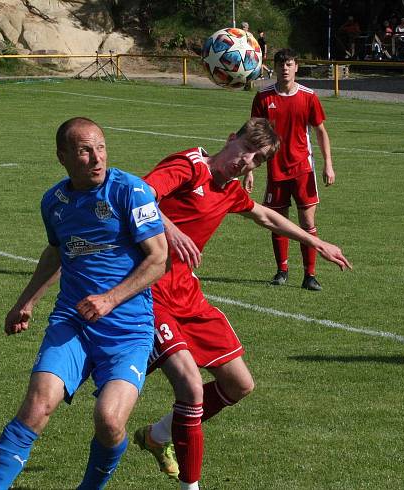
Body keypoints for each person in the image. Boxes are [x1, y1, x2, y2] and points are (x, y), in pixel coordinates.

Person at [131, 118, 352, 489]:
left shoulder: (229, 190)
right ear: (230, 139)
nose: (246, 161)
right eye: (245, 149)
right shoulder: (189, 166)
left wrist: (317, 243)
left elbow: (265, 215)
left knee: (239, 384)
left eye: (256, 160)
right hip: (148, 291)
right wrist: (171, 229)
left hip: (187, 292)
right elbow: (139, 194)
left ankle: (157, 436)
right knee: (191, 386)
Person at [0, 117, 169, 490]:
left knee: (110, 421)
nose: (96, 158)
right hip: (73, 322)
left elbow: (159, 258)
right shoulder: (54, 202)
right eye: (84, 151)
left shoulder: (131, 192)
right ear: (63, 157)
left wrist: (109, 299)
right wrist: (27, 301)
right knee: (36, 408)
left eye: (100, 147)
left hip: (128, 329)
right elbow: (57, 253)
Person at [243, 48, 336, 291]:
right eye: (281, 64)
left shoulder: (308, 96)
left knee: (307, 221)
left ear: (296, 67)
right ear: (275, 67)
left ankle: (310, 275)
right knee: (277, 220)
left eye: (290, 64)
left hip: (303, 168)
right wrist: (249, 170)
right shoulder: (263, 98)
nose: (285, 68)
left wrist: (328, 164)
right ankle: (282, 271)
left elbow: (320, 132)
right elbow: (253, 135)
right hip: (275, 169)